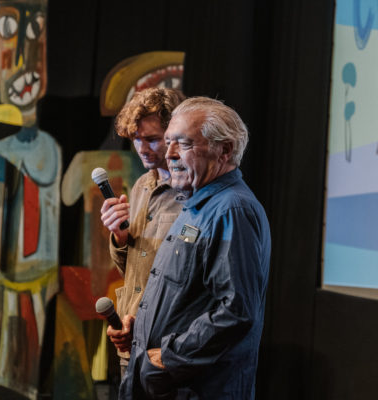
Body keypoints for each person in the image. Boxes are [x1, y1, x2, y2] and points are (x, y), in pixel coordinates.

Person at [117, 97, 271, 399]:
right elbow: (188, 296)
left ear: (224, 150)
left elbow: (236, 311)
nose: (170, 154)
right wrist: (143, 328)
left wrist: (169, 357)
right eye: (169, 142)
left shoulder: (231, 210)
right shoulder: (197, 203)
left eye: (184, 144)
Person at [100, 87, 185, 377]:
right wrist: (119, 236)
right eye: (136, 138)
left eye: (152, 139)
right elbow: (131, 269)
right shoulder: (141, 186)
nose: (142, 148)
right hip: (131, 340)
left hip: (166, 348)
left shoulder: (192, 191)